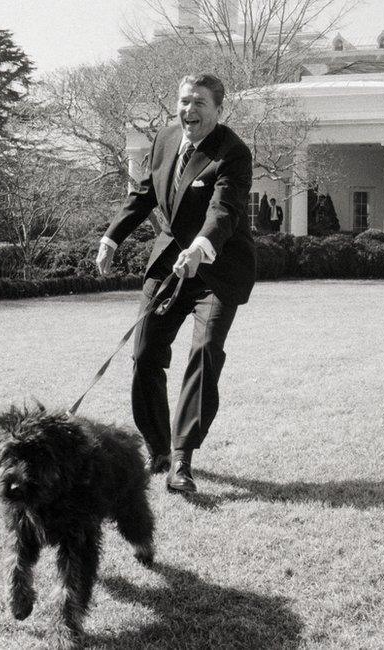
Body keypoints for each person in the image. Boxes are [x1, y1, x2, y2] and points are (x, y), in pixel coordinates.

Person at [96, 73, 255, 494]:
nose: (190, 111)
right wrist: (112, 236)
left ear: (219, 110)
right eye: (185, 102)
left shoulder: (233, 153)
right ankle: (158, 448)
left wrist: (201, 247)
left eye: (200, 103)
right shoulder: (166, 141)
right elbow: (145, 194)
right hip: (169, 265)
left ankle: (182, 458)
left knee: (204, 353)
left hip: (216, 271)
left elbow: (224, 211)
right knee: (145, 352)